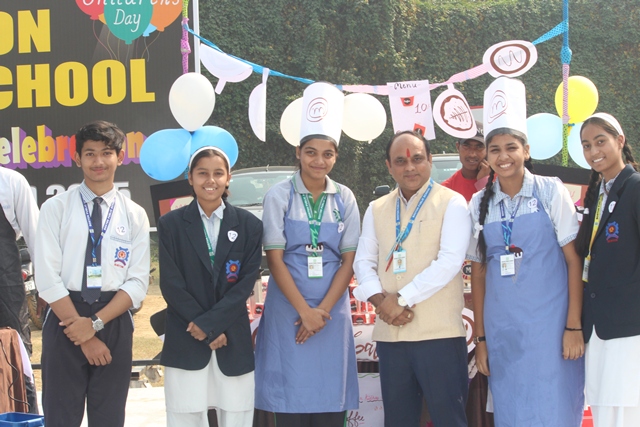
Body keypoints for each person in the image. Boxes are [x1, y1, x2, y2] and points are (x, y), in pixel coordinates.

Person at [468, 77, 584, 427]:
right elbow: (478, 273)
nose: (503, 157)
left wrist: (573, 326)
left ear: (526, 150)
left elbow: (573, 261)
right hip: (504, 330)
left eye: (511, 147)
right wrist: (482, 339)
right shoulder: (479, 203)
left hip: (551, 327)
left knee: (554, 406)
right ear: (487, 156)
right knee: (513, 409)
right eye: (495, 150)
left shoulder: (550, 191)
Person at [254, 82, 360, 427]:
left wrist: (321, 312)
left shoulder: (345, 198)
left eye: (327, 154)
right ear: (298, 152)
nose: (319, 160)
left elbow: (348, 261)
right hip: (289, 309)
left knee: (330, 398)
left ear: (336, 156)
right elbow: (275, 259)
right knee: (289, 400)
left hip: (331, 313)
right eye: (311, 152)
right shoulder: (279, 195)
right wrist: (304, 312)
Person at [35, 120, 150, 427]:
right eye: (90, 154)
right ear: (77, 158)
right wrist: (83, 334)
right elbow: (46, 277)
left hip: (113, 318)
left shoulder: (134, 214)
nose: (98, 161)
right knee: (61, 417)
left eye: (106, 153)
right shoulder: (55, 208)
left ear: (120, 157)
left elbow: (137, 283)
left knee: (109, 418)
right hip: (65, 318)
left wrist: (95, 324)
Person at [353, 129, 471, 427]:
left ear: (430, 160)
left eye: (417, 159)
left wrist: (401, 299)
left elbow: (449, 262)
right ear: (388, 166)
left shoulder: (452, 203)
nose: (410, 167)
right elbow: (363, 262)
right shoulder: (376, 208)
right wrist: (382, 302)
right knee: (398, 420)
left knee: (449, 419)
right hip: (391, 336)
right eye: (400, 161)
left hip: (439, 336)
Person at [159, 145, 262, 427]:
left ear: (228, 178)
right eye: (202, 173)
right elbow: (171, 284)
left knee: (237, 413)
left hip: (232, 337)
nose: (210, 180)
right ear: (190, 178)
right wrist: (206, 327)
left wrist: (211, 325)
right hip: (187, 335)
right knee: (185, 414)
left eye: (218, 173)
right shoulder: (171, 224)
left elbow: (244, 284)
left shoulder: (249, 225)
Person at [574, 113, 640, 426]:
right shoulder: (598, 193)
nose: (593, 151)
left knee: (626, 411)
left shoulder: (635, 188)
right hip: (598, 325)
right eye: (587, 145)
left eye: (600, 141)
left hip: (628, 325)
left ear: (620, 141)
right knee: (603, 409)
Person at [0, 165, 39, 412]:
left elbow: (35, 235)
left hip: (5, 283)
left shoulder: (11, 181)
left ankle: (26, 418)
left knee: (16, 352)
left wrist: (45, 288)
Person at [441, 121, 490, 202]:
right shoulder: (447, 189)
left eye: (479, 147)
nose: (472, 154)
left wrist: (484, 181)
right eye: (466, 146)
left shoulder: (501, 180)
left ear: (487, 149)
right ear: (458, 147)